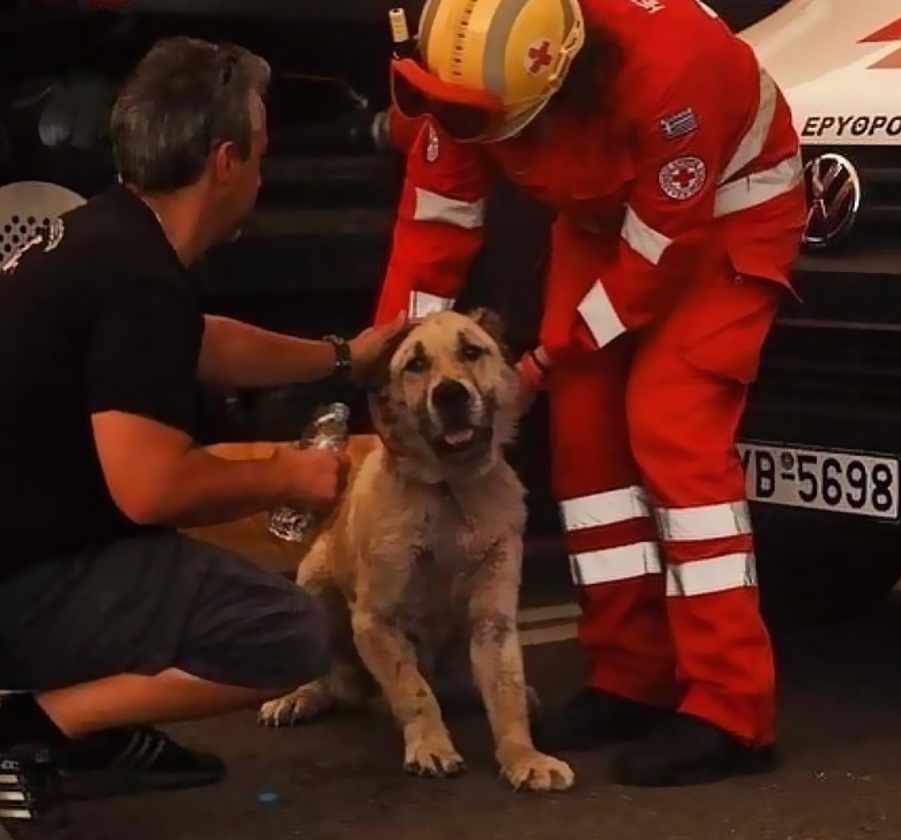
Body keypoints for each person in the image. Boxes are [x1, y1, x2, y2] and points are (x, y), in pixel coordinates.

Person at [372, 0, 807, 788]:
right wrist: (391, 382)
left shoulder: (675, 66)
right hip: (606, 218)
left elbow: (662, 250)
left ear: (560, 82)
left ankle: (731, 708)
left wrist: (543, 358)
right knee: (586, 441)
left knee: (671, 426)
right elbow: (434, 225)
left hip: (724, 216)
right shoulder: (469, 74)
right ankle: (631, 674)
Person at [0, 36, 406, 839]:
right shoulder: (138, 279)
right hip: (21, 582)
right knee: (282, 630)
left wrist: (341, 359)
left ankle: (86, 727)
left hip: (24, 554)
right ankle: (34, 734)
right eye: (260, 151)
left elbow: (201, 339)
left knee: (156, 562)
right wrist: (288, 477)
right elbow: (150, 488)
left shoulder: (106, 236)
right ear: (225, 161)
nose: (263, 169)